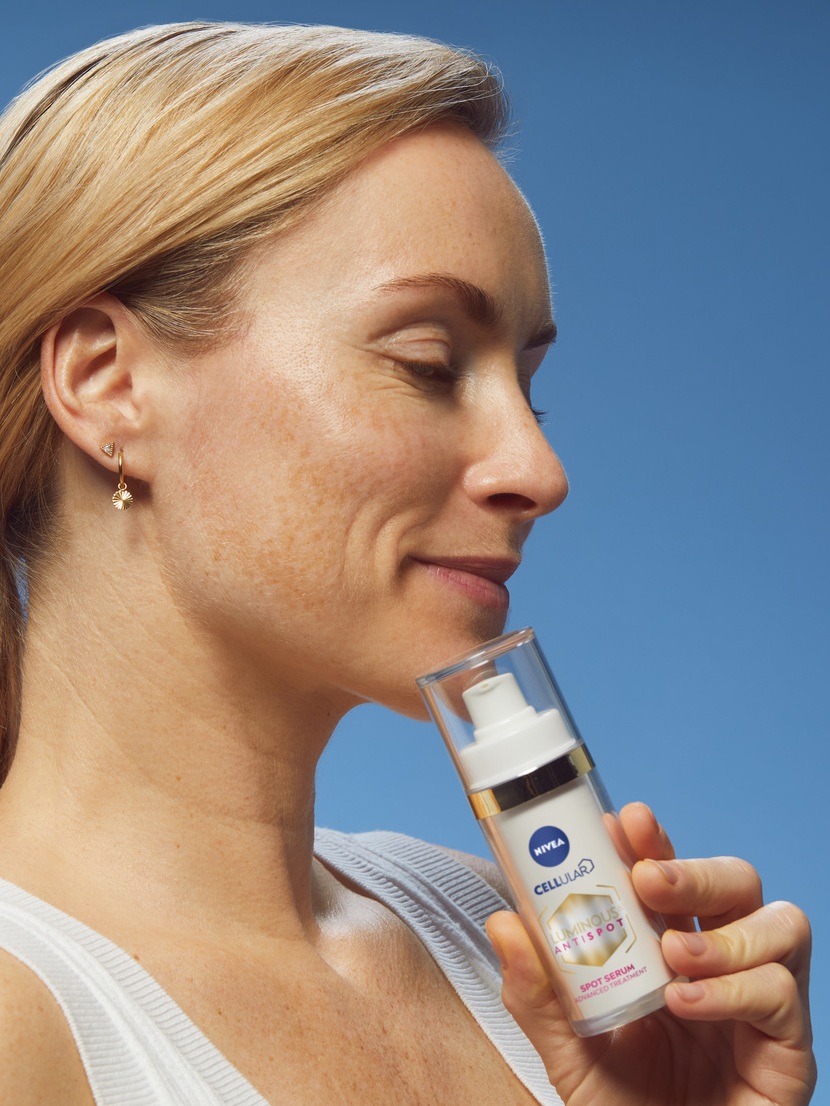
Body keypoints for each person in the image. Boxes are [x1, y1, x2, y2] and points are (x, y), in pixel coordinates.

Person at [0, 20, 815, 1106]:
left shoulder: (517, 950)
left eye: (528, 386)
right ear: (108, 383)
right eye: (428, 362)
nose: (538, 466)